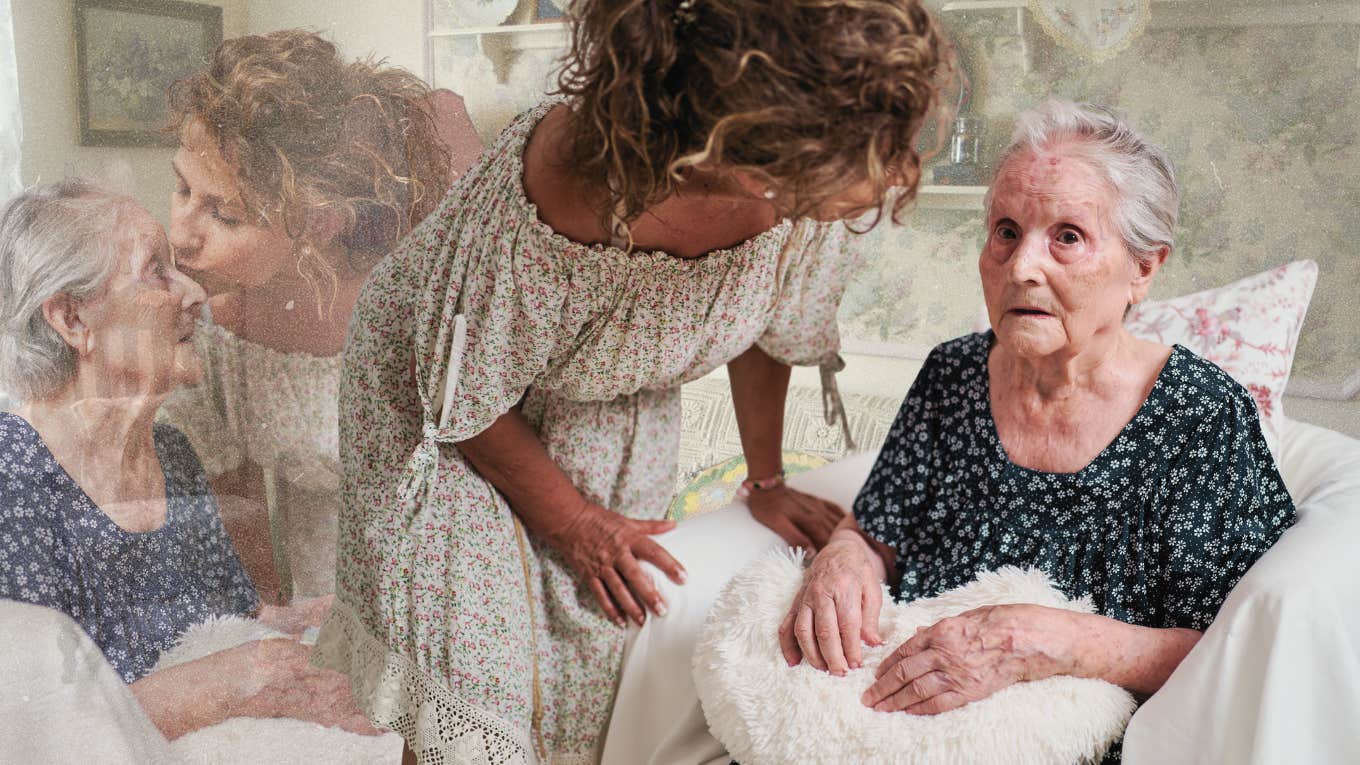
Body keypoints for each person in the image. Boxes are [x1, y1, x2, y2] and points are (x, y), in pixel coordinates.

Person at [309, 0, 949, 762]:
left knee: (594, 671)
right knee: (480, 689)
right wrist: (575, 522)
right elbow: (466, 397)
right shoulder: (575, 180)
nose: (900, 174)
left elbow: (766, 323)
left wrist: (767, 479)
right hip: (439, 405)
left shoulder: (799, 196)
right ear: (750, 146)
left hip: (596, 386)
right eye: (875, 151)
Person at [773, 100, 1295, 760]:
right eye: (1007, 231)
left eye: (1068, 236)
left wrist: (1045, 640)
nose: (1023, 266)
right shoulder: (953, 373)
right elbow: (877, 529)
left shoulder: (1201, 417)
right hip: (899, 726)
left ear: (1144, 267)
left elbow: (1241, 650)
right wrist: (844, 558)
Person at [0, 180, 374, 740]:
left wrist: (307, 619)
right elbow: (33, 729)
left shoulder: (172, 454)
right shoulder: (11, 483)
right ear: (72, 320)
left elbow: (229, 617)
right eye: (156, 270)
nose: (195, 293)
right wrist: (225, 683)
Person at [158, 29, 482, 602]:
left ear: (320, 224)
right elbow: (238, 507)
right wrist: (273, 626)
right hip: (320, 603)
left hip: (452, 599)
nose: (179, 233)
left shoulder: (426, 313)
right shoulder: (205, 331)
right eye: (182, 188)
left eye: (224, 216)